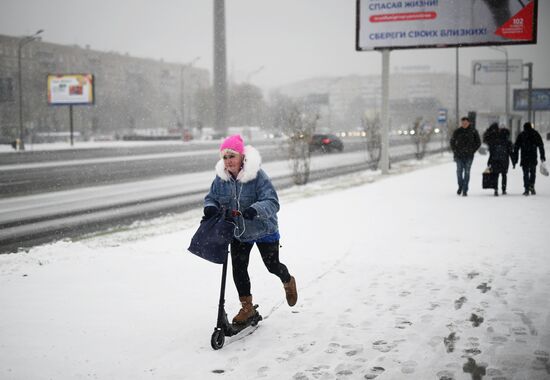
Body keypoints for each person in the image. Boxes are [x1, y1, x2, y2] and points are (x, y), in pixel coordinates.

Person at [203, 134, 297, 324]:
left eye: (232, 156)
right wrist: (210, 206)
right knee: (238, 269)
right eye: (225, 157)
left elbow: (272, 202)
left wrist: (255, 210)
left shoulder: (257, 176)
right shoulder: (221, 179)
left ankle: (287, 280)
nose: (228, 161)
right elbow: (211, 197)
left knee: (272, 266)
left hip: (264, 230)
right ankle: (247, 308)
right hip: (238, 231)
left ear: (242, 157)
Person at [513, 122, 546, 196]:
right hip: (533, 157)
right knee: (533, 173)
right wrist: (542, 156)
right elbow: (541, 145)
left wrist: (515, 158)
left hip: (524, 157)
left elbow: (516, 147)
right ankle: (532, 185)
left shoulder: (521, 135)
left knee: (525, 174)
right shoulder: (535, 134)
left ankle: (526, 189)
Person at [450, 117, 481, 196]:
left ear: (469, 123)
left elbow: (478, 142)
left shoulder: (473, 131)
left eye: (466, 123)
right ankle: (460, 186)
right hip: (459, 156)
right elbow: (452, 142)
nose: (464, 124)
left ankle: (465, 189)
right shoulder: (457, 131)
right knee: (459, 172)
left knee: (467, 172)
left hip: (469, 156)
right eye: (463, 123)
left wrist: (472, 150)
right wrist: (455, 151)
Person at [483, 123, 514, 196]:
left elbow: (491, 151)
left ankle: (496, 189)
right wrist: (514, 161)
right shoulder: (507, 141)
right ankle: (503, 190)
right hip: (504, 160)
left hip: (495, 160)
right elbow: (511, 152)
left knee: (496, 175)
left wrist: (489, 161)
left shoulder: (494, 140)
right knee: (504, 175)